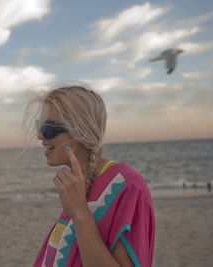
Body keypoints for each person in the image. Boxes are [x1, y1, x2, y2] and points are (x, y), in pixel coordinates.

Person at [24, 86, 155, 267]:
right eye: (40, 126)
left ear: (86, 131)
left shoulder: (126, 185)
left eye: (48, 129)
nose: (40, 136)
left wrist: (79, 212)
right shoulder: (79, 184)